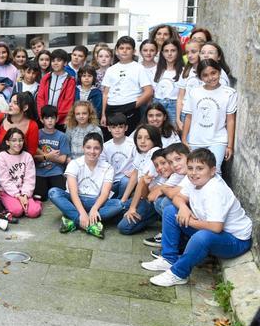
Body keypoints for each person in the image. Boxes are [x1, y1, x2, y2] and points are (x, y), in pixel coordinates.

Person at [141, 149, 252, 287]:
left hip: (235, 240)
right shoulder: (193, 180)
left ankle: (178, 274)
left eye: (200, 168)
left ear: (212, 171)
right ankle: (168, 259)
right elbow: (178, 197)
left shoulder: (214, 190)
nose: (194, 173)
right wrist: (183, 208)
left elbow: (216, 227)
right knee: (170, 211)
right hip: (214, 231)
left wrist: (191, 221)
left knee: (202, 237)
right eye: (191, 168)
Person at [48, 133, 125, 239]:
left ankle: (72, 220)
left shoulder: (108, 168)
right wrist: (82, 213)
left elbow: (105, 193)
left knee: (119, 204)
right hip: (74, 200)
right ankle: (88, 223)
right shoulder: (74, 164)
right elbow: (73, 192)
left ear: (101, 150)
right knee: (53, 193)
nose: (92, 152)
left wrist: (94, 209)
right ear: (83, 148)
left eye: (96, 148)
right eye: (88, 147)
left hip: (95, 201)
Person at [181, 59, 237, 174]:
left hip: (218, 139)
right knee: (196, 171)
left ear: (219, 72)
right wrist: (184, 138)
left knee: (214, 170)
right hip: (196, 139)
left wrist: (230, 146)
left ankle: (218, 192)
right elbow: (189, 117)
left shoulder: (229, 93)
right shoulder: (194, 92)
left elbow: (230, 120)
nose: (210, 77)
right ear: (200, 77)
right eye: (205, 75)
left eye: (213, 73)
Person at [101, 36, 154, 134]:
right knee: (111, 140)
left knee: (130, 140)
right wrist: (103, 114)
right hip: (111, 109)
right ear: (116, 51)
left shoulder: (139, 68)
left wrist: (134, 105)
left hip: (131, 109)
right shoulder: (111, 69)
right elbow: (105, 93)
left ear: (134, 51)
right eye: (121, 48)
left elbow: (149, 91)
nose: (124, 51)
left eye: (128, 48)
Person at [0, 128, 42, 219]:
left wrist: (25, 195)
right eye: (14, 140)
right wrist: (18, 196)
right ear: (7, 142)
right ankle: (12, 203)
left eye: (20, 140)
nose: (18, 143)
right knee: (17, 211)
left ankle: (36, 202)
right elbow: (5, 180)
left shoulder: (27, 156)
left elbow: (30, 179)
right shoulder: (2, 156)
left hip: (24, 191)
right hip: (8, 192)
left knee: (34, 212)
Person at [34, 105, 71, 202]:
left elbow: (63, 159)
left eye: (52, 118)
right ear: (42, 120)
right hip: (40, 172)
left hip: (56, 171)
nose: (50, 120)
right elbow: (33, 157)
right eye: (46, 118)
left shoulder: (62, 136)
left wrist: (43, 156)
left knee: (60, 195)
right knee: (40, 197)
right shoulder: (36, 134)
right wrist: (49, 156)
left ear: (57, 119)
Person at [36, 49, 75, 129]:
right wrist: (43, 116)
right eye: (53, 61)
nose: (55, 63)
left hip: (60, 121)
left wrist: (55, 118)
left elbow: (68, 101)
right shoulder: (46, 78)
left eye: (59, 61)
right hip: (44, 119)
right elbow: (40, 98)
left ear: (65, 63)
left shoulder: (70, 80)